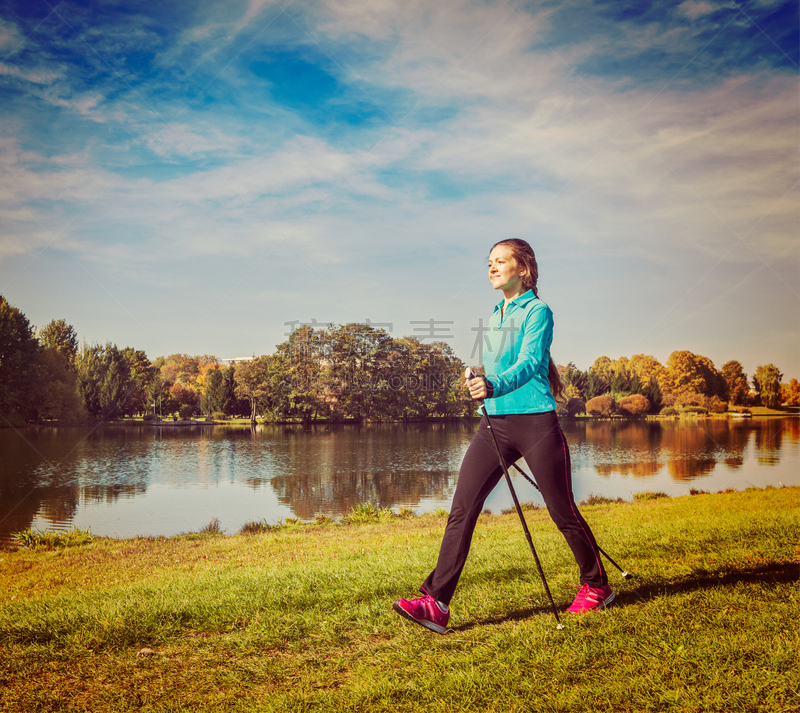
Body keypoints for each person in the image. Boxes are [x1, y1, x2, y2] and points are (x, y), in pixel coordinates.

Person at [393, 238, 613, 634]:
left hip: (535, 423)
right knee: (462, 507)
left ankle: (597, 585)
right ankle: (437, 602)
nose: (492, 268)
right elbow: (499, 367)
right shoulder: (495, 314)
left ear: (523, 268)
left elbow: (530, 363)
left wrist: (493, 383)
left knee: (562, 511)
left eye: (500, 261)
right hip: (494, 423)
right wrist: (478, 378)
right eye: (489, 262)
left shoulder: (538, 311)